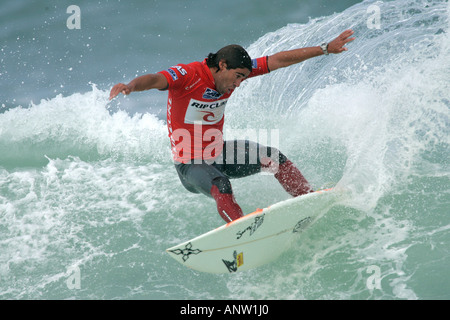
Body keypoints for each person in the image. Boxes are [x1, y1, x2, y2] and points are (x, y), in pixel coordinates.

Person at [110, 29, 355, 223]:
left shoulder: (233, 74)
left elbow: (277, 60)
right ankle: (240, 232)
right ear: (223, 65)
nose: (238, 84)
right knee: (222, 185)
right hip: (190, 164)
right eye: (237, 76)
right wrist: (131, 86)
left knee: (273, 157)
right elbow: (155, 79)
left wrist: (324, 49)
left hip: (219, 153)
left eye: (243, 78)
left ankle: (308, 200)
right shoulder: (188, 75)